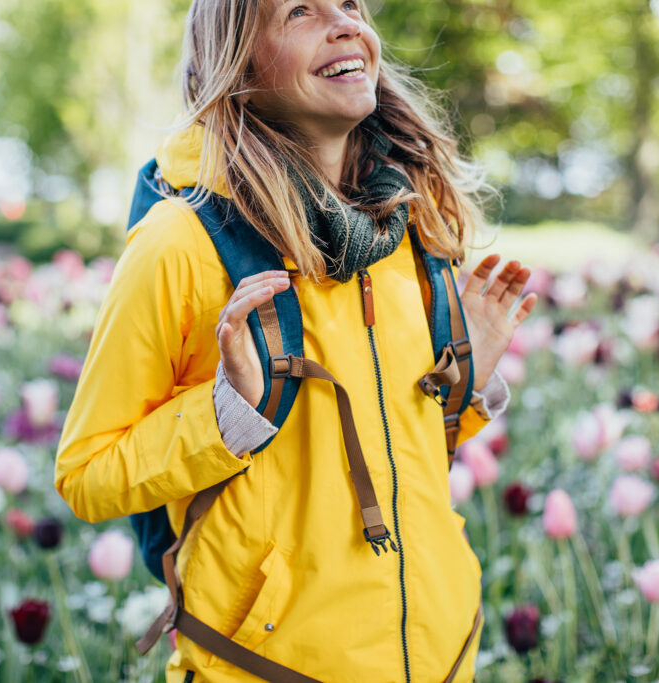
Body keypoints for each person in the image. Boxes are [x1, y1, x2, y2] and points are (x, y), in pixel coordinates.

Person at [54, 0, 537, 680]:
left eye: (349, 5)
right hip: (263, 664)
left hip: (441, 656)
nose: (345, 24)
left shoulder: (411, 227)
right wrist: (228, 412)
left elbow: (387, 456)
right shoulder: (182, 244)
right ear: (240, 65)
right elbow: (85, 472)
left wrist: (463, 384)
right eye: (300, 11)